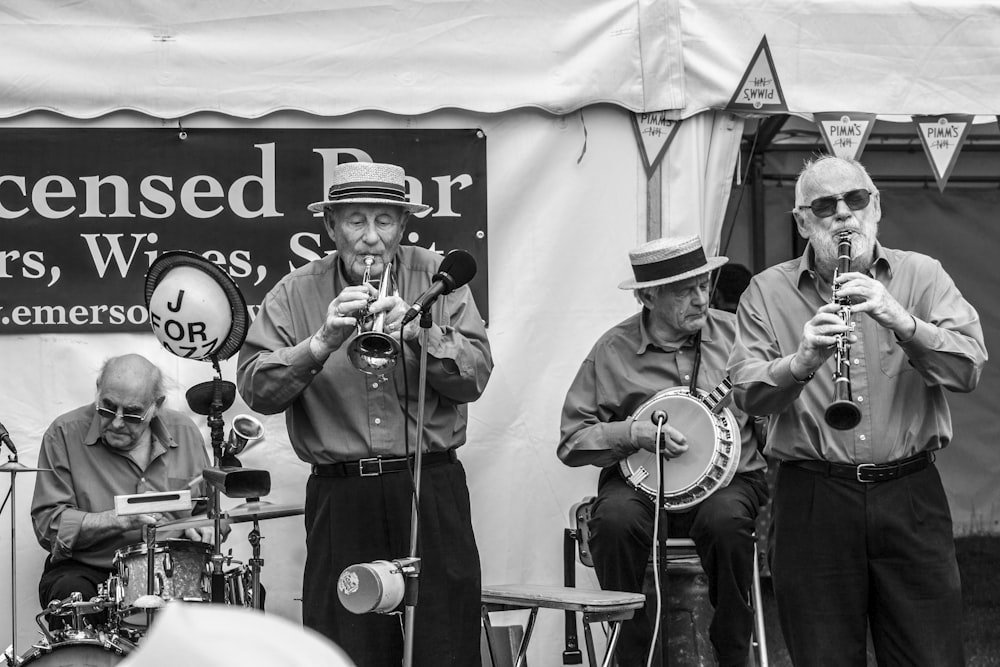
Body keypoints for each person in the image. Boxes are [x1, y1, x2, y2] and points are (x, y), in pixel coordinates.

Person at [728, 155, 988, 666]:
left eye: (856, 200)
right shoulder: (767, 290)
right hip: (813, 497)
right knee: (824, 656)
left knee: (930, 654)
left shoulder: (921, 274)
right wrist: (801, 362)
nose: (843, 215)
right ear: (803, 221)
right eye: (825, 205)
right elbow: (746, 393)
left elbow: (969, 368)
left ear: (877, 207)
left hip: (910, 494)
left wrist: (903, 321)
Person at [236, 161, 492, 667]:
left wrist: (419, 334)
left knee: (443, 639)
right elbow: (257, 389)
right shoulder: (295, 291)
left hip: (429, 484)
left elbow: (476, 375)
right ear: (330, 227)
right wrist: (320, 343)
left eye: (385, 221)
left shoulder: (438, 278)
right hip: (342, 493)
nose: (371, 238)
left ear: (403, 226)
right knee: (345, 642)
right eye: (355, 221)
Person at [558, 235, 769, 667]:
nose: (700, 300)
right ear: (647, 296)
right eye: (684, 291)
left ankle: (732, 651)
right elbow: (572, 440)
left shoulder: (738, 337)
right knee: (613, 521)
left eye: (703, 286)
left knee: (728, 524)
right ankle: (635, 653)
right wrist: (633, 433)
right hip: (642, 487)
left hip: (728, 483)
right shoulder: (612, 351)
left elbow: (778, 403)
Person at [31, 354, 216, 629]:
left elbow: (209, 512)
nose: (116, 422)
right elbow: (48, 526)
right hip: (90, 568)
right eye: (107, 407)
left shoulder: (185, 432)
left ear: (157, 405)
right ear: (98, 388)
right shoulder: (64, 433)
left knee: (239, 595)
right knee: (72, 595)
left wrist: (204, 528)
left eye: (131, 413)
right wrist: (117, 519)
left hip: (171, 568)